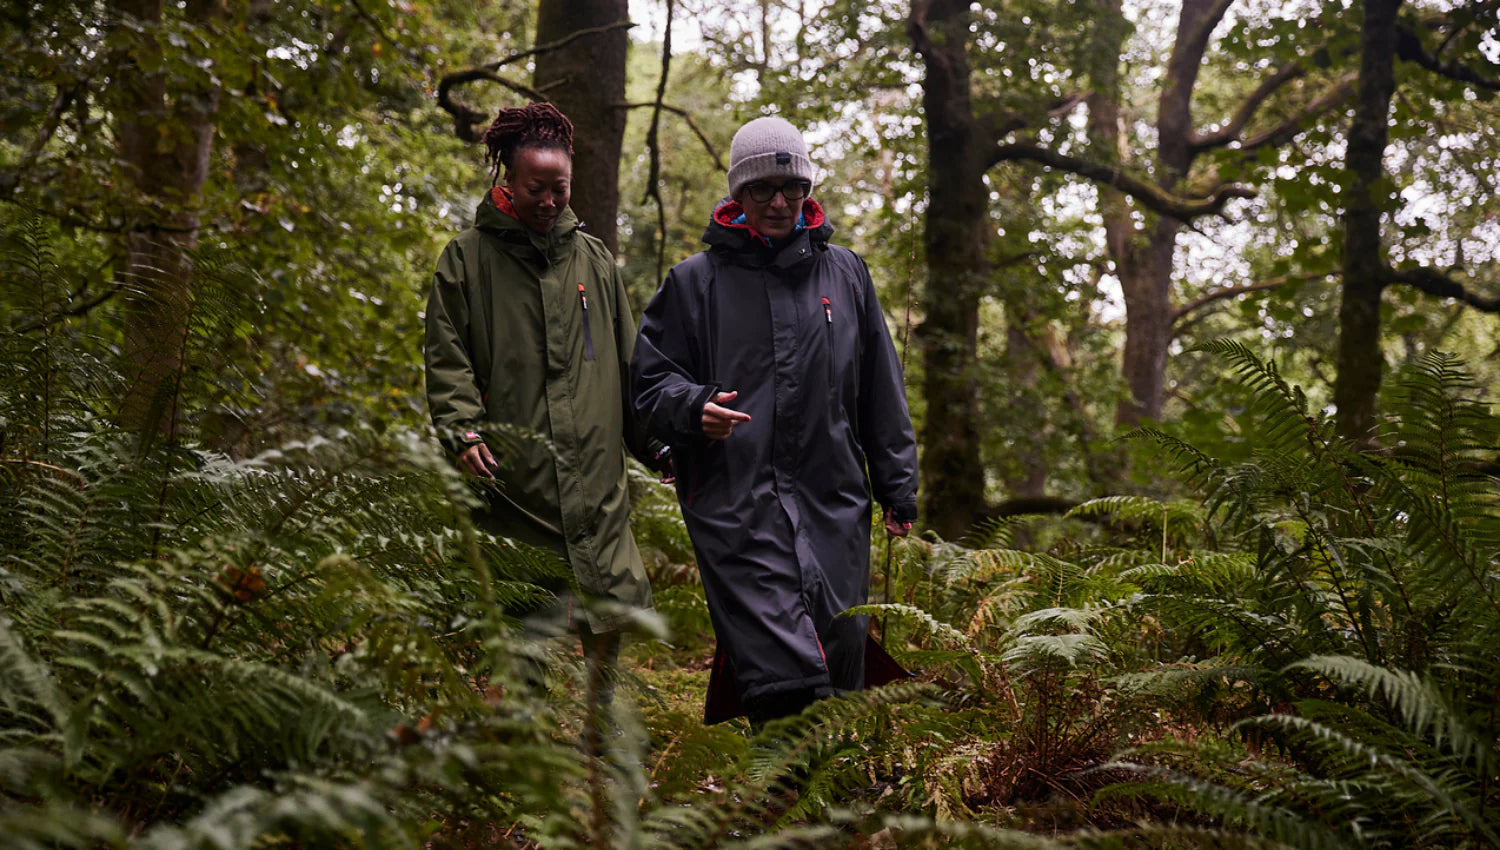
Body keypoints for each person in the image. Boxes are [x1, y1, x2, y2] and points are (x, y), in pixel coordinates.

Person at [631, 115, 918, 725]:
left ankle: (820, 804)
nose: (780, 202)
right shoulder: (693, 283)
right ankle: (781, 801)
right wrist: (692, 408)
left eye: (793, 189)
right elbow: (648, 387)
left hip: (832, 497)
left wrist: (898, 486)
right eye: (762, 188)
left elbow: (879, 388)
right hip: (737, 502)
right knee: (780, 670)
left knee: (837, 651)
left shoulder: (846, 274)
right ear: (737, 194)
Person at [424, 102, 668, 699]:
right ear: (508, 177)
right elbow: (446, 355)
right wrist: (462, 430)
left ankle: (602, 743)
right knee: (521, 623)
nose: (551, 200)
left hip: (597, 485)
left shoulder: (596, 264)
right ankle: (518, 753)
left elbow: (632, 368)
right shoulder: (466, 259)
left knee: (607, 615)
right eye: (537, 188)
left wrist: (658, 443)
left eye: (560, 187)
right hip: (518, 482)